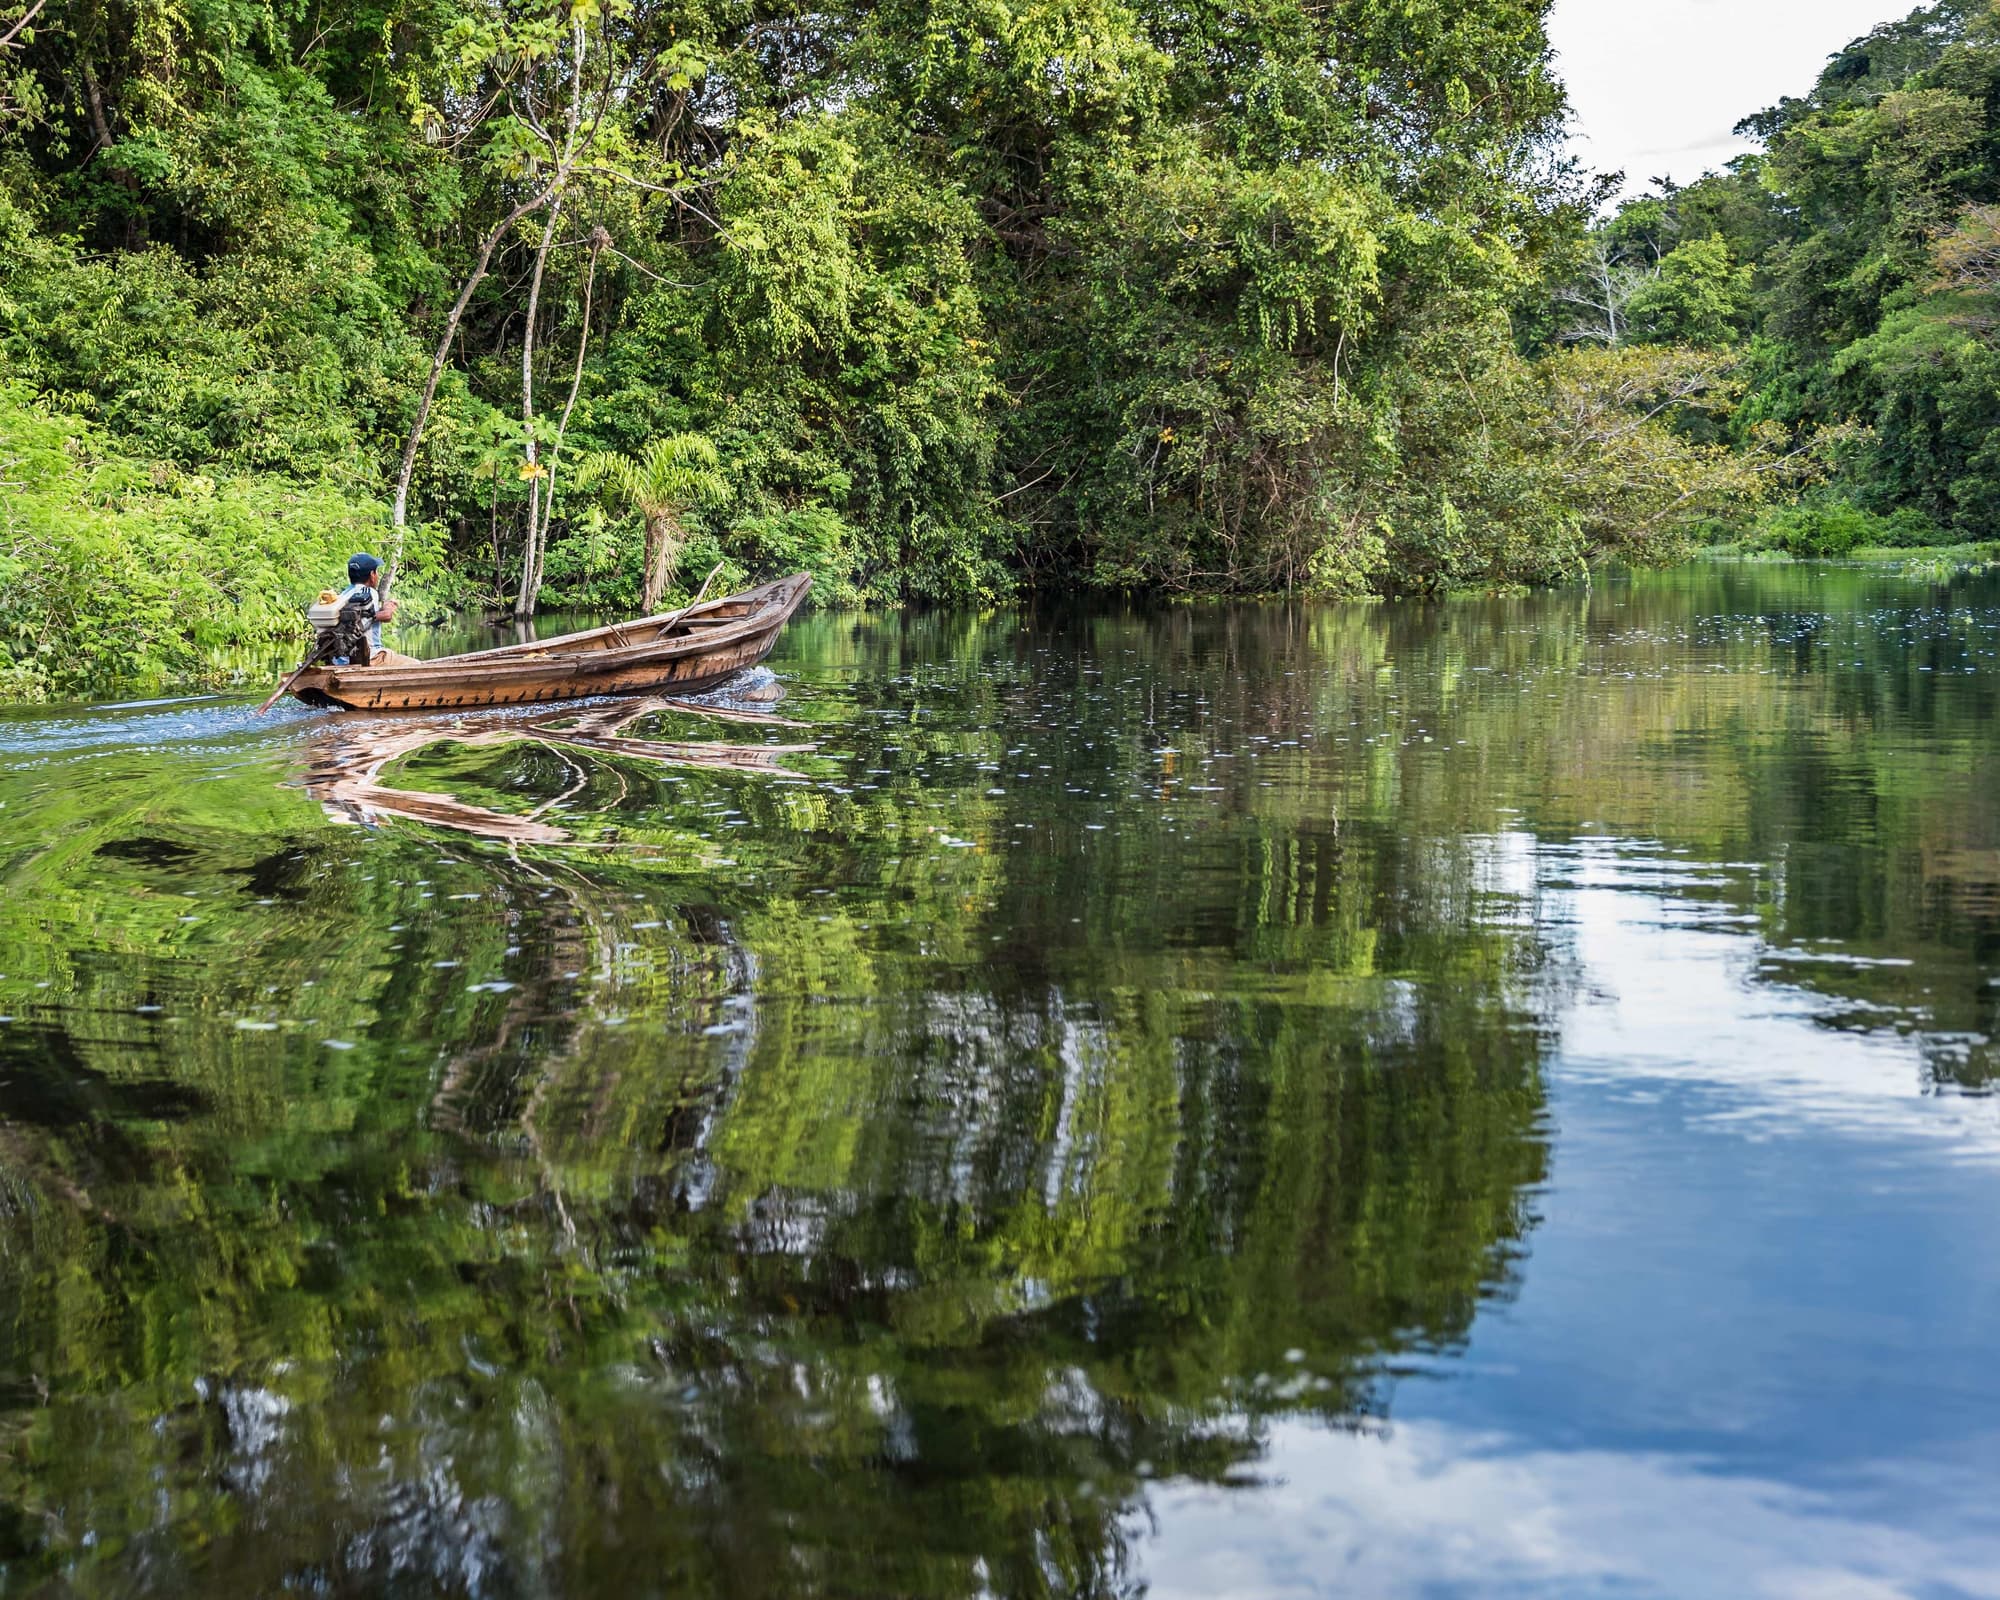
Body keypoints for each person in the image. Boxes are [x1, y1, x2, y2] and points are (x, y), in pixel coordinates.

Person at [341, 553, 418, 668]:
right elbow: (386, 616)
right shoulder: (369, 592)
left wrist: (383, 608)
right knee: (417, 665)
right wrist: (388, 608)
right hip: (371, 658)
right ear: (372, 575)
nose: (377, 575)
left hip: (343, 659)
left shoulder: (344, 594)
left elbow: (366, 616)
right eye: (376, 572)